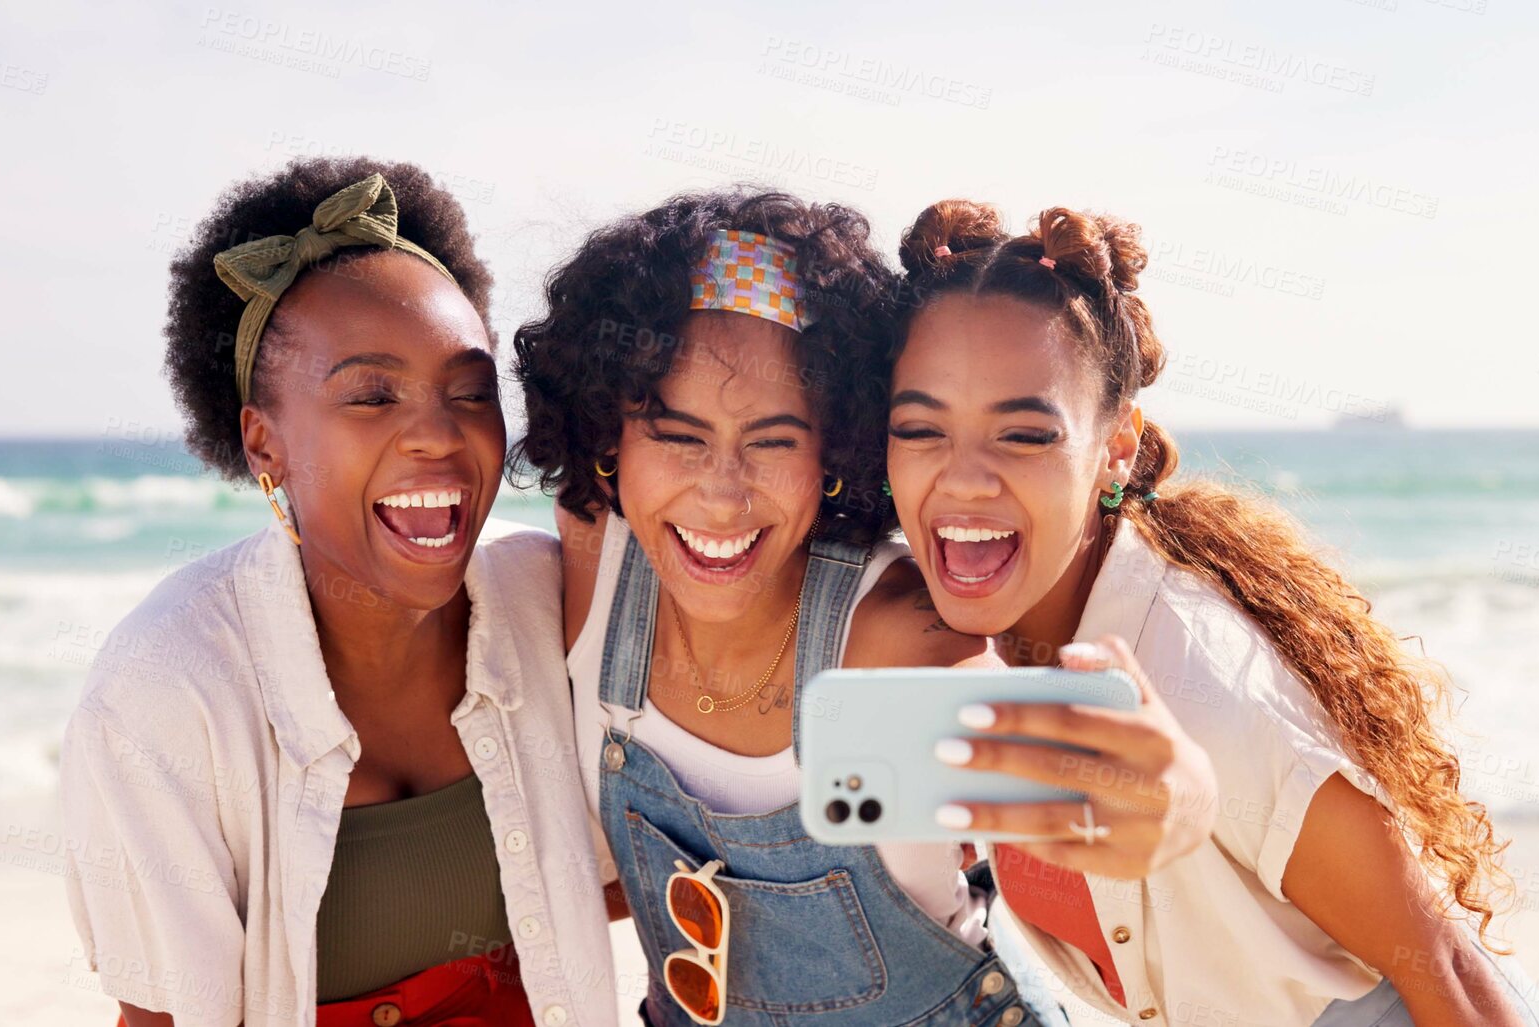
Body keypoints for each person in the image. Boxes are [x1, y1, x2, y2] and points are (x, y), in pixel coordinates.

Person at [514, 189, 1212, 1025]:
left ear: (835, 449)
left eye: (773, 440)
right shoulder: (598, 565)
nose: (722, 495)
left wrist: (1173, 795)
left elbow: (1104, 790)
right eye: (677, 434)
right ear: (606, 437)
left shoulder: (886, 642)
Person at [881, 199, 1539, 1027]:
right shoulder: (997, 644)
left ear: (1116, 447)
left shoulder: (1203, 684)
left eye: (1022, 435)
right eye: (920, 428)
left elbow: (1447, 968)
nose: (960, 478)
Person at [59, 159, 615, 1027]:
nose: (437, 435)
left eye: (469, 392)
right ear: (263, 442)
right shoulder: (164, 689)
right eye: (371, 395)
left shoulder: (545, 601)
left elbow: (621, 878)